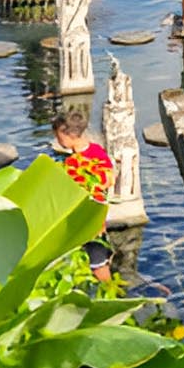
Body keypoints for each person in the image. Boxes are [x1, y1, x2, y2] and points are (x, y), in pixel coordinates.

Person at [52, 108, 114, 282]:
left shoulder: (76, 162)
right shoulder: (96, 150)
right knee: (94, 258)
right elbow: (110, 178)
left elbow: (107, 179)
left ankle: (112, 294)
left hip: (89, 219)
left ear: (67, 134)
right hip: (93, 216)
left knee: (98, 263)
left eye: (58, 137)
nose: (57, 141)